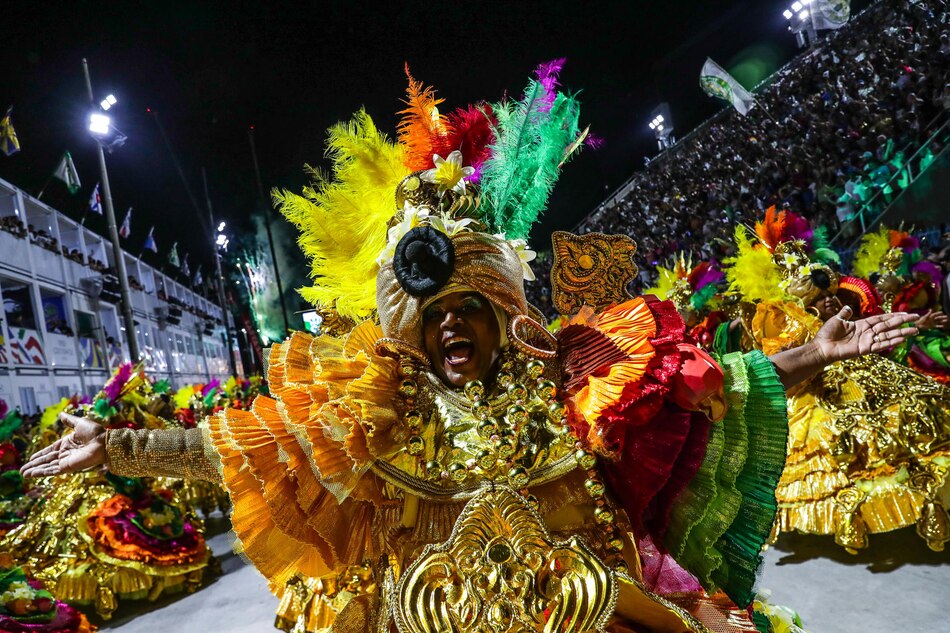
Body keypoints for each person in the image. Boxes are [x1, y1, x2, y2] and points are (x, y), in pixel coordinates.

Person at [22, 65, 919, 633]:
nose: (453, 326)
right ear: (411, 325)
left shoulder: (569, 374)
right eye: (436, 313)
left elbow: (706, 383)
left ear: (499, 311)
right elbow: (246, 451)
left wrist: (814, 356)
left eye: (471, 311)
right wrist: (122, 444)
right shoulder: (378, 410)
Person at [723, 209, 950, 553]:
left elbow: (876, 328)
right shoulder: (778, 319)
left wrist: (915, 327)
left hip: (864, 371)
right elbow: (781, 366)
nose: (830, 300)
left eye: (831, 293)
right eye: (820, 298)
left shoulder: (843, 317)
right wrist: (809, 345)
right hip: (813, 393)